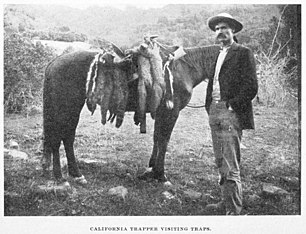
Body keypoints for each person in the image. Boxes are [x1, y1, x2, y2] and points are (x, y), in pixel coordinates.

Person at [204, 13, 258, 215]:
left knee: (230, 162)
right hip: (214, 110)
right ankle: (225, 201)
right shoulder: (218, 54)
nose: (220, 32)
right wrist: (209, 105)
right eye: (217, 29)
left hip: (229, 112)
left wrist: (232, 106)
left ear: (233, 30)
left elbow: (251, 86)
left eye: (224, 28)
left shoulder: (243, 53)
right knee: (220, 159)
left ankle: (233, 211)